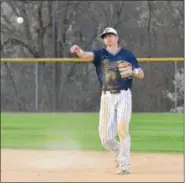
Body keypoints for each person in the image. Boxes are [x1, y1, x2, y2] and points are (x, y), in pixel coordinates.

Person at [70, 27, 144, 174]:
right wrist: (79, 51)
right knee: (105, 138)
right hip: (107, 97)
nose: (108, 38)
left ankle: (124, 164)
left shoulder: (127, 54)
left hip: (124, 95)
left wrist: (134, 72)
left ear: (117, 38)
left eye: (111, 35)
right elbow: (86, 55)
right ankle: (118, 151)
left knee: (122, 130)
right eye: (105, 36)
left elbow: (141, 73)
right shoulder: (100, 55)